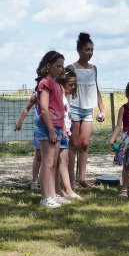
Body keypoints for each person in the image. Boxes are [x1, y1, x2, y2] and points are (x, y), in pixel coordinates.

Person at [67, 33, 106, 190]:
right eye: (86, 50)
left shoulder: (94, 69)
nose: (89, 53)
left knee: (85, 144)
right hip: (74, 108)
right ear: (79, 50)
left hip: (88, 110)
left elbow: (95, 88)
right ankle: (70, 181)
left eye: (92, 50)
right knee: (74, 144)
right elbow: (66, 89)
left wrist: (102, 109)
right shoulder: (71, 68)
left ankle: (82, 178)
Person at [35, 50, 66, 208]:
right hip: (48, 127)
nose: (61, 69)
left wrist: (62, 128)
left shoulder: (57, 85)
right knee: (47, 163)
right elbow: (45, 109)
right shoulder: (45, 83)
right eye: (58, 66)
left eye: (62, 66)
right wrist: (52, 130)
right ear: (48, 66)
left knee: (54, 162)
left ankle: (53, 194)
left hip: (58, 126)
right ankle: (45, 197)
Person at [55, 68, 84, 201]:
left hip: (65, 131)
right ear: (62, 82)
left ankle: (63, 190)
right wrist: (64, 128)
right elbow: (59, 114)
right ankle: (65, 190)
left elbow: (65, 113)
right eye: (70, 84)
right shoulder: (59, 95)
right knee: (60, 161)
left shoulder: (65, 96)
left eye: (74, 85)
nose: (73, 87)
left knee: (63, 161)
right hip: (61, 131)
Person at [14, 91, 41, 190]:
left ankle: (48, 182)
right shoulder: (37, 94)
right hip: (40, 128)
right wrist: (20, 122)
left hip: (54, 127)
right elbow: (27, 108)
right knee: (39, 155)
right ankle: (34, 181)